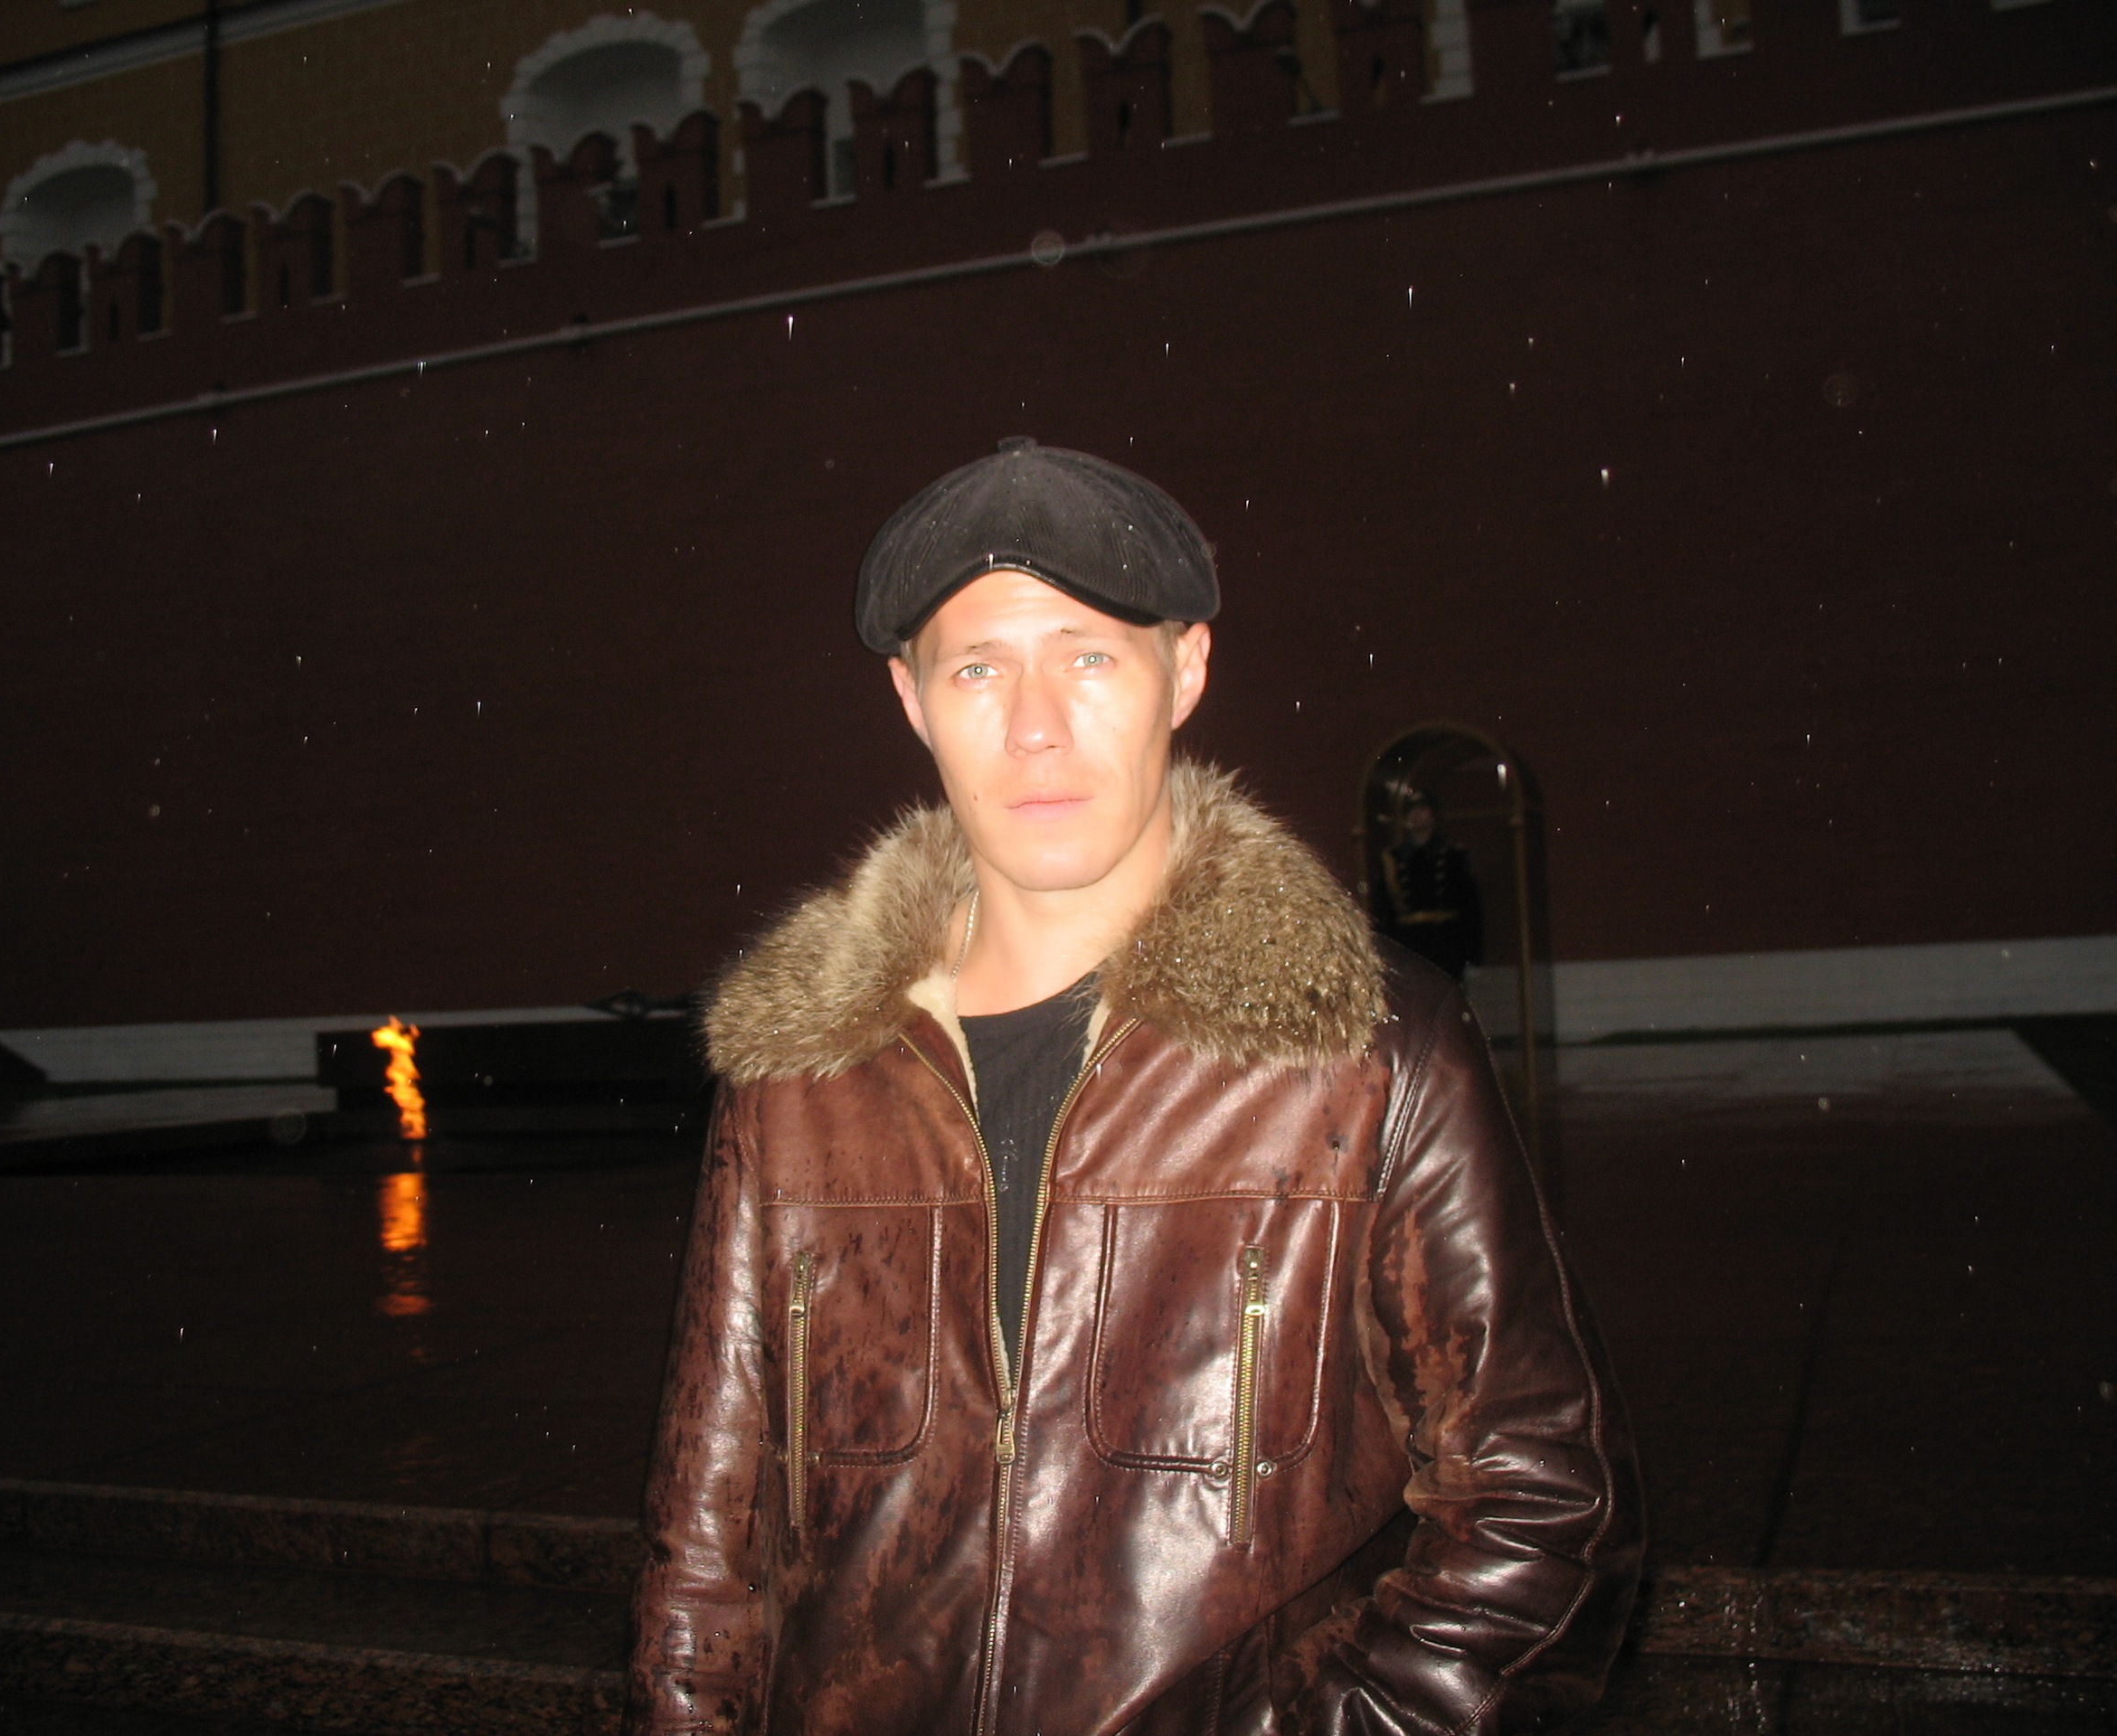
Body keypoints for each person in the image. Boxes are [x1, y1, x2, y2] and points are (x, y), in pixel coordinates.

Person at [628, 439, 1640, 1734]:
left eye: (1089, 657)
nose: (1034, 725)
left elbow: (1549, 1513)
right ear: (911, 700)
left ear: (1187, 670)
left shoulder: (1365, 1055)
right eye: (979, 667)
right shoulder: (797, 1078)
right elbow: (706, 1551)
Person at [1370, 790, 1485, 982]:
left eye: (1422, 810)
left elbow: (1470, 907)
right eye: (1411, 811)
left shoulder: (1452, 856)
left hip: (1446, 942)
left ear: (1433, 815)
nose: (1416, 816)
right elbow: (1383, 908)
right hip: (1408, 943)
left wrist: (1473, 956)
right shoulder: (1393, 859)